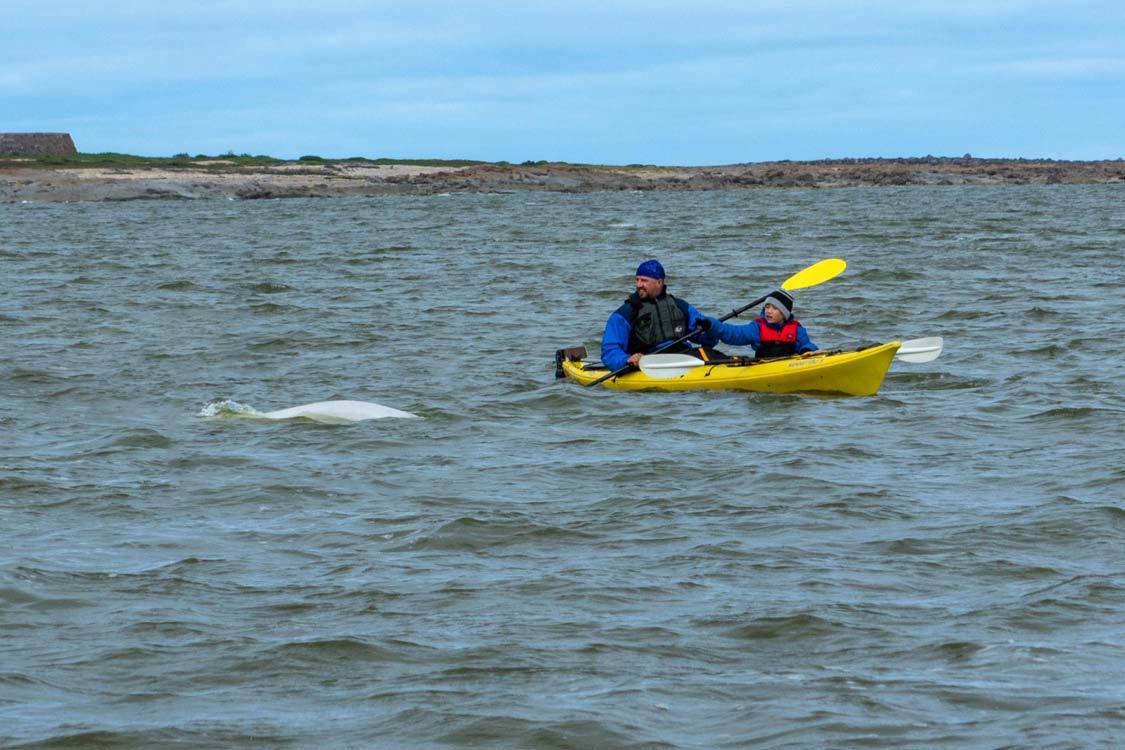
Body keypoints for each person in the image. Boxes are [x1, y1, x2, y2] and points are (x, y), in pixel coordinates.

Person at [600, 259, 721, 371]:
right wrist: (626, 360)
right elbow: (610, 351)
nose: (638, 285)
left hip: (684, 358)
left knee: (711, 353)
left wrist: (709, 331)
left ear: (659, 282)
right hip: (649, 363)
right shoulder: (625, 313)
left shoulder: (680, 306)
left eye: (644, 280)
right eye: (637, 280)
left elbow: (709, 341)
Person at [709, 288, 818, 358]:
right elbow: (733, 333)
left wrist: (807, 350)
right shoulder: (758, 328)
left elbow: (806, 344)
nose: (769, 311)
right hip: (763, 368)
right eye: (767, 307)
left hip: (786, 367)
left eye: (775, 308)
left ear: (784, 314)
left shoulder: (796, 329)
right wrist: (712, 325)